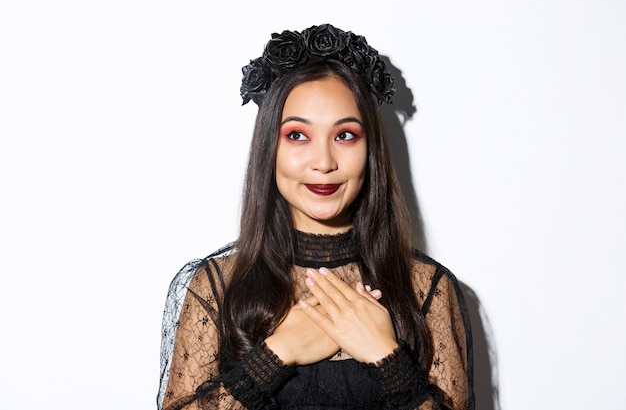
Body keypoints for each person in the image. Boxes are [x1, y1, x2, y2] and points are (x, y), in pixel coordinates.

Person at [157, 23, 474, 410]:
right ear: (269, 148)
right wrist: (273, 357)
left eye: (345, 136)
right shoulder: (217, 286)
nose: (324, 163)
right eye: (297, 136)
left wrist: (388, 360)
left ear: (370, 148)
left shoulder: (426, 288)